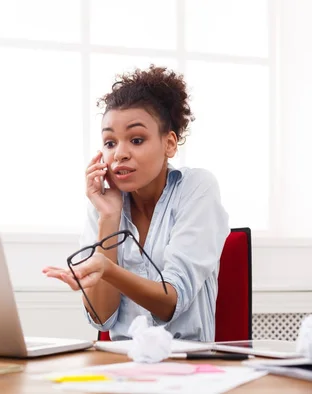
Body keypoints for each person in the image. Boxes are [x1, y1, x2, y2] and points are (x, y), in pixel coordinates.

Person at [43, 65, 229, 342]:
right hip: (120, 366)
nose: (119, 154)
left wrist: (108, 270)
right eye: (109, 142)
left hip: (186, 365)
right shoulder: (104, 205)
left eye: (137, 139)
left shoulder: (197, 188)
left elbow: (171, 303)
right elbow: (101, 318)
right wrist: (108, 216)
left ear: (169, 144)